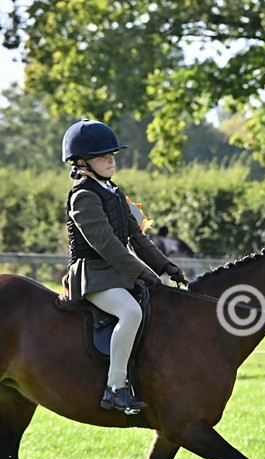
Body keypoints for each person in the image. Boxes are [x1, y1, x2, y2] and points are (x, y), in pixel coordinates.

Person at [61, 118, 187, 414]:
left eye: (112, 154)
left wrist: (166, 266)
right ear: (81, 163)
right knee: (130, 312)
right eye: (102, 155)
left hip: (116, 275)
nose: (110, 159)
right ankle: (115, 388)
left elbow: (136, 238)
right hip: (91, 276)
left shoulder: (114, 192)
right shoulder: (84, 196)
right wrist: (141, 271)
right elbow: (105, 243)